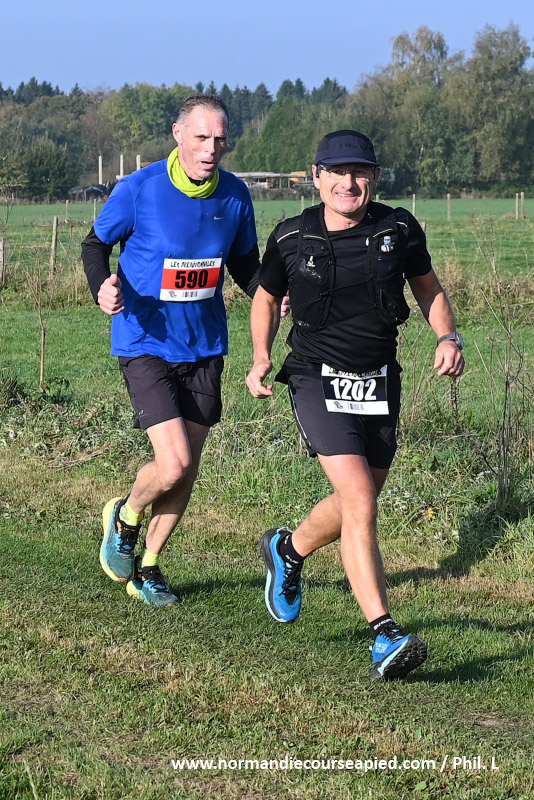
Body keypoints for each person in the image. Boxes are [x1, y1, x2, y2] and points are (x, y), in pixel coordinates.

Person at [246, 130, 464, 679]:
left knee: (357, 502)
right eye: (337, 172)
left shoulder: (398, 228)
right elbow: (266, 297)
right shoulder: (291, 236)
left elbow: (429, 288)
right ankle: (385, 634)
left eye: (360, 172)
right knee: (361, 497)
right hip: (315, 377)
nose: (349, 183)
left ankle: (289, 549)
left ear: (375, 178)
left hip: (379, 380)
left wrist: (447, 336)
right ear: (316, 177)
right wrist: (260, 356)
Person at [82, 94, 263, 607]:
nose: (211, 148)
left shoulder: (235, 195)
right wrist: (101, 287)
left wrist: (270, 294)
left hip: (205, 344)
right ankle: (126, 516)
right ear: (178, 134)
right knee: (175, 462)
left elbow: (244, 263)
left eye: (220, 139)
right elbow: (95, 244)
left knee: (189, 465)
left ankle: (149, 566)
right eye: (201, 137)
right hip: (145, 340)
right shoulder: (138, 189)